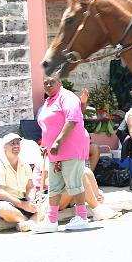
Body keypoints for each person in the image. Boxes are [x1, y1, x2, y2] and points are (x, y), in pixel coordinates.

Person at [33, 76, 91, 233]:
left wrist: (57, 142)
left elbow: (72, 120)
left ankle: (82, 217)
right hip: (54, 151)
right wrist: (46, 144)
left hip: (70, 147)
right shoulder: (49, 101)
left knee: (74, 183)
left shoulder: (67, 97)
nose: (49, 85)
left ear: (60, 83)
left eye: (52, 82)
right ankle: (51, 220)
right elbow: (48, 125)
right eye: (46, 83)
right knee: (54, 185)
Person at [0, 133, 38, 231]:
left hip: (22, 200)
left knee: (49, 201)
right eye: (12, 143)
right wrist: (23, 205)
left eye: (17, 143)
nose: (16, 145)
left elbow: (30, 188)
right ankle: (30, 221)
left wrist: (30, 201)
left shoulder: (25, 165)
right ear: (4, 147)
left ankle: (28, 224)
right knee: (5, 209)